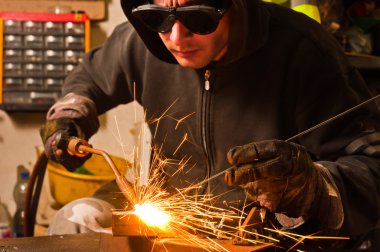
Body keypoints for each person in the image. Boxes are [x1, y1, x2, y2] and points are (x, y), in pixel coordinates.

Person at [40, 0, 380, 250]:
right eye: (159, 18)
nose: (176, 37)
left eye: (198, 18)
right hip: (171, 231)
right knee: (78, 218)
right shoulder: (140, 39)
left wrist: (311, 187)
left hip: (270, 241)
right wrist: (69, 116)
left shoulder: (304, 50)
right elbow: (89, 79)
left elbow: (371, 171)